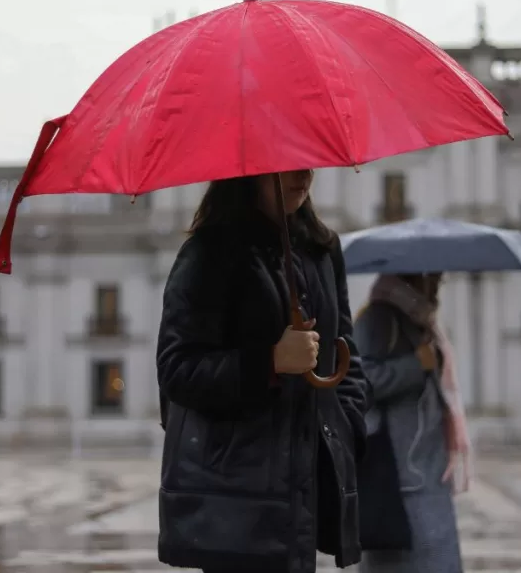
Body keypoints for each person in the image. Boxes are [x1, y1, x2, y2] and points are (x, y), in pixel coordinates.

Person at [156, 170, 372, 573]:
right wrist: (270, 362)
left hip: (303, 490)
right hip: (235, 500)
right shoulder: (210, 252)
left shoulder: (322, 251)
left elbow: (347, 352)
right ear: (250, 172)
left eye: (309, 161)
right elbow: (177, 368)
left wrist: (348, 428)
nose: (304, 174)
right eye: (288, 163)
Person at [353, 273, 471, 573]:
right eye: (436, 278)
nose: (439, 286)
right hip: (398, 483)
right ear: (418, 277)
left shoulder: (421, 323)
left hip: (426, 476)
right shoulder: (378, 318)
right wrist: (417, 365)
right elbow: (357, 383)